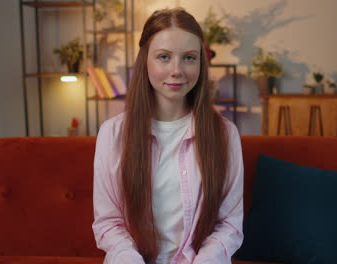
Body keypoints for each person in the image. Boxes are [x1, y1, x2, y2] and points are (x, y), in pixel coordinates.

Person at [92, 7, 244, 264]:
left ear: (200, 62)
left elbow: (229, 225)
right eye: (163, 57)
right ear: (145, 60)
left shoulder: (224, 134)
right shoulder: (113, 134)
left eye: (188, 58)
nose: (177, 70)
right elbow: (109, 224)